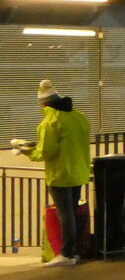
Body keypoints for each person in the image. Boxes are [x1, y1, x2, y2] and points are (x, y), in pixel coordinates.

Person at [16, 79, 92, 267]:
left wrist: (26, 151)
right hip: (79, 172)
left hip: (61, 175)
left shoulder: (50, 121)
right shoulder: (78, 116)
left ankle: (66, 254)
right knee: (72, 213)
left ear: (44, 103)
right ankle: (73, 253)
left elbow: (46, 152)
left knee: (65, 215)